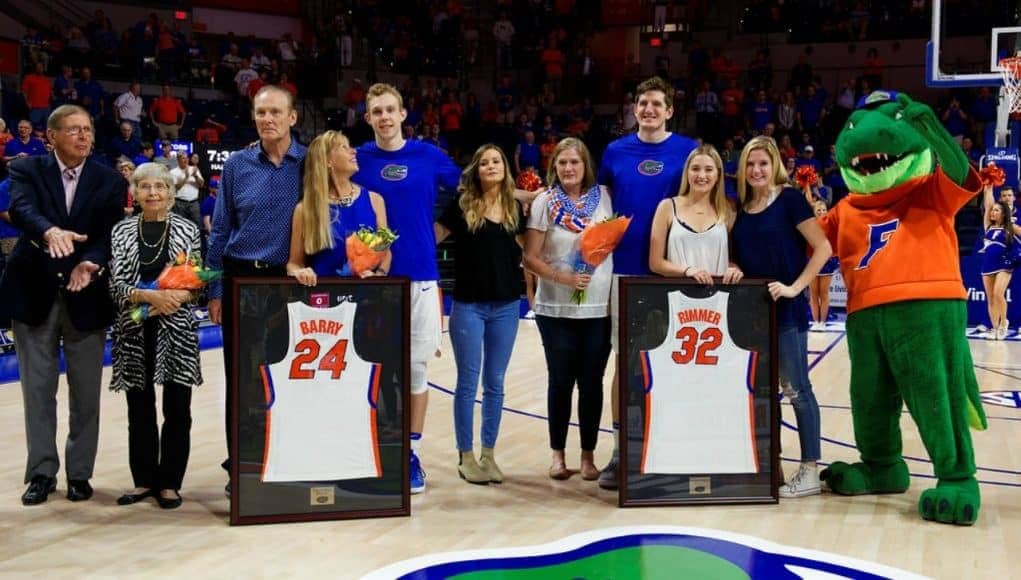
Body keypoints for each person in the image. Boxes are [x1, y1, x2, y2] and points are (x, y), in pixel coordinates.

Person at [0, 105, 126, 505]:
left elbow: (110, 232)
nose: (84, 136)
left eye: (87, 129)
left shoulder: (107, 179)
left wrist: (94, 261)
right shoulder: (27, 170)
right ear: (51, 136)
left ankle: (79, 473)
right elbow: (21, 209)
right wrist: (49, 230)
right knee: (38, 391)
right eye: (73, 130)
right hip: (32, 290)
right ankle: (41, 472)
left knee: (86, 393)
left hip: (86, 292)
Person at [351, 83, 461, 494]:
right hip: (372, 280)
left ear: (403, 114)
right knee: (374, 368)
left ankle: (409, 454)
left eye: (390, 110)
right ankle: (376, 446)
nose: (383, 117)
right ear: (367, 118)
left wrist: (443, 228)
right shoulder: (356, 159)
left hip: (421, 277)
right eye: (375, 111)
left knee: (415, 368)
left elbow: (469, 190)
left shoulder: (428, 155)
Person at [595, 76, 698, 489]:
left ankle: (666, 446)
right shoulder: (615, 151)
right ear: (634, 109)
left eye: (657, 104)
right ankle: (621, 451)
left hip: (672, 272)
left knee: (668, 363)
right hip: (622, 271)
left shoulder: (687, 150)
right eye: (643, 104)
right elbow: (597, 208)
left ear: (670, 110)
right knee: (625, 363)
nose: (649, 110)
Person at [206, 86, 306, 496]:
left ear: (292, 118)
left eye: (275, 112)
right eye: (261, 112)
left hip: (291, 280)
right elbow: (221, 226)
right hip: (241, 277)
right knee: (242, 379)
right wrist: (213, 288)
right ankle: (242, 465)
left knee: (291, 376)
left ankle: (288, 456)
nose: (268, 119)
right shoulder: (237, 165)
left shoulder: (310, 163)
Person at [731, 135, 832, 498]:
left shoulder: (789, 200)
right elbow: (738, 256)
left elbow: (823, 248)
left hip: (786, 310)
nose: (757, 170)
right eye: (750, 164)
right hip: (751, 314)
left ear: (775, 165)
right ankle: (769, 464)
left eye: (763, 163)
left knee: (797, 390)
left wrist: (795, 287)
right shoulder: (741, 207)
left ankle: (809, 469)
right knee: (763, 393)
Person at [108, 163, 201, 510]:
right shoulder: (120, 231)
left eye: (159, 187)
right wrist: (150, 298)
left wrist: (177, 297)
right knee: (139, 407)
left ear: (170, 193)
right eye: (144, 187)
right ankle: (144, 479)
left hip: (174, 329)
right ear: (134, 192)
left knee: (178, 408)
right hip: (133, 328)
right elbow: (116, 285)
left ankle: (170, 483)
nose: (152, 193)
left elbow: (195, 283)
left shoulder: (188, 229)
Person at [523, 137, 613, 481]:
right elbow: (529, 256)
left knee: (592, 383)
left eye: (574, 162)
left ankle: (589, 456)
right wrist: (561, 277)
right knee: (560, 381)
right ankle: (558, 455)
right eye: (562, 163)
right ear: (554, 167)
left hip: (598, 307)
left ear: (584, 164)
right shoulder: (545, 202)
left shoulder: (604, 197)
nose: (568, 168)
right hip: (555, 308)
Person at [435, 144, 525, 485]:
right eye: (484, 162)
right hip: (468, 306)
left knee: (496, 383)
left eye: (497, 161)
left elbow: (527, 253)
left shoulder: (515, 208)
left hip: (506, 306)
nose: (491, 166)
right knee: (468, 382)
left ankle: (489, 454)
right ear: (476, 169)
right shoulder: (461, 206)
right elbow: (431, 238)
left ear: (505, 167)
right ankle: (466, 455)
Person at [285, 130, 390, 285]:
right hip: (324, 298)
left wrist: (380, 275)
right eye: (344, 147)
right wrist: (299, 272)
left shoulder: (375, 200)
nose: (353, 151)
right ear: (328, 161)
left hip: (369, 297)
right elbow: (294, 263)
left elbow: (386, 252)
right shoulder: (305, 209)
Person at [649, 145, 742, 284]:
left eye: (709, 170)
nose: (701, 175)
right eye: (695, 169)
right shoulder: (667, 207)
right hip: (678, 296)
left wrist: (734, 269)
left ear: (718, 174)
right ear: (687, 172)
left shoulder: (728, 209)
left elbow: (732, 259)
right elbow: (656, 263)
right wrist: (688, 271)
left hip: (719, 297)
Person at [979, 188, 1017, 340]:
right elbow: (988, 204)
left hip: (1004, 264)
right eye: (992, 210)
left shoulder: (1010, 228)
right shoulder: (988, 226)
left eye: (996, 211)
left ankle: (1003, 324)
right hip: (987, 265)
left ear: (1003, 213)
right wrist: (988, 187)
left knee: (998, 294)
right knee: (990, 298)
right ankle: (995, 328)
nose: (992, 213)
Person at [809, 200, 840, 331]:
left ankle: (823, 322)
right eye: (818, 210)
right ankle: (816, 321)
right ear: (814, 212)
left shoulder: (831, 225)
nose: (821, 212)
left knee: (824, 293)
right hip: (811, 261)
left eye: (823, 210)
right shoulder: (809, 226)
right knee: (813, 293)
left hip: (827, 261)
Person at [169, 151, 203, 230]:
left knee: (197, 226)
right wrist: (186, 177)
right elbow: (175, 188)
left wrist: (195, 176)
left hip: (194, 203)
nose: (186, 160)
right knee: (179, 226)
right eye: (183, 158)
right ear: (178, 160)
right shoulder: (173, 172)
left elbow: (201, 184)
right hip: (180, 203)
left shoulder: (194, 169)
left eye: (187, 158)